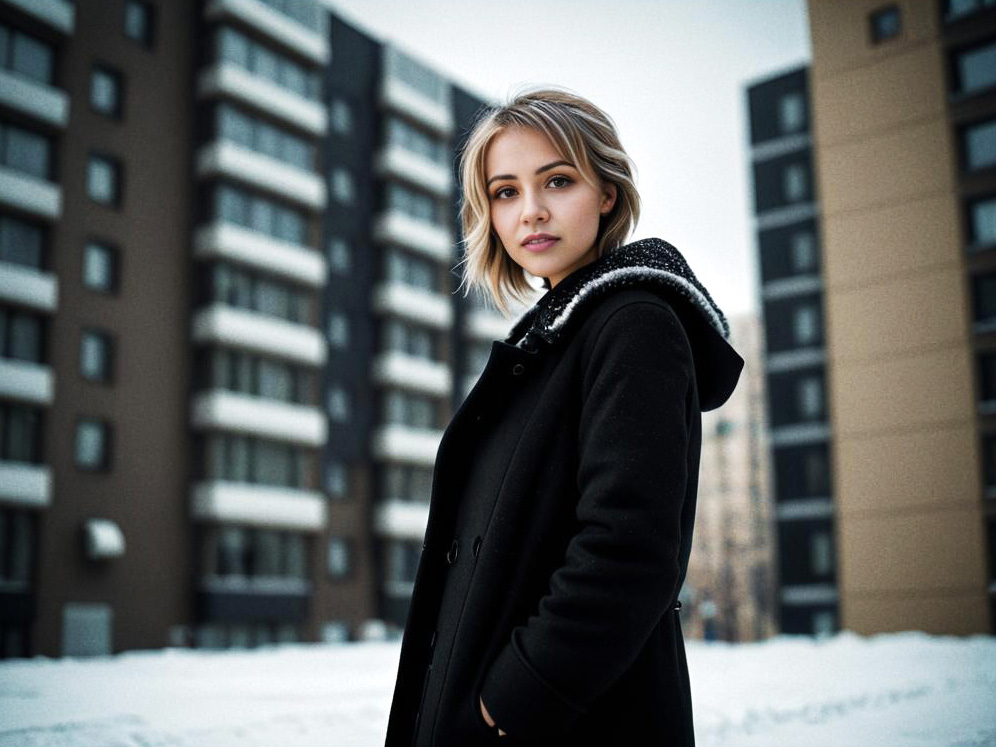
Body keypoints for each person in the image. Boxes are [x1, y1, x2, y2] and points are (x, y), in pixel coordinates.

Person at [385, 86, 744, 747]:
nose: (533, 211)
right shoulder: (550, 339)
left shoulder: (631, 325)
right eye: (505, 191)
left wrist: (506, 703)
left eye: (558, 180)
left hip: (566, 723)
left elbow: (626, 553)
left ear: (607, 191)